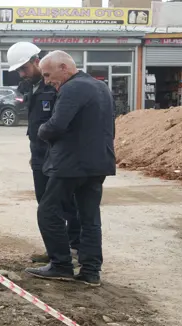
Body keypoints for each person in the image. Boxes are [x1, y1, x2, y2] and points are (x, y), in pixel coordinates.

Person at [24, 51, 116, 287]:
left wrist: (41, 131)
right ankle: (91, 271)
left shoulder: (72, 88)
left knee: (48, 212)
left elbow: (56, 126)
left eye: (48, 75)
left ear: (64, 67)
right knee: (89, 217)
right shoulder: (100, 87)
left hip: (71, 164)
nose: (46, 81)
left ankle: (61, 265)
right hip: (98, 164)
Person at [6, 41, 80, 263]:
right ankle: (55, 250)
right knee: (45, 205)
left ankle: (74, 248)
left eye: (24, 68)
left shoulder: (57, 85)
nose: (21, 74)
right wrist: (33, 155)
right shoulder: (30, 86)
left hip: (58, 156)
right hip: (38, 154)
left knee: (67, 204)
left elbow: (61, 124)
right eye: (18, 70)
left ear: (36, 61)